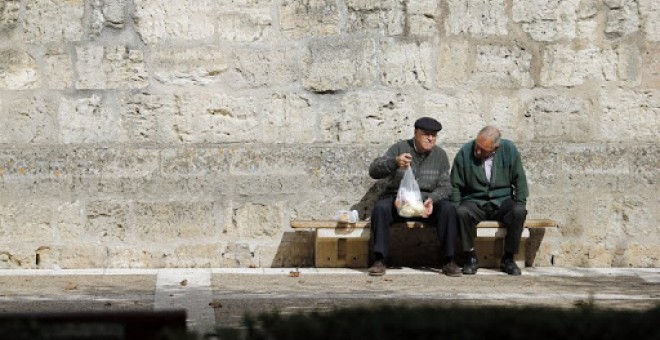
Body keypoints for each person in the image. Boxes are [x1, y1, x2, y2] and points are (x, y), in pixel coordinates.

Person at [367, 117, 460, 277]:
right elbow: (374, 170)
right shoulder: (399, 148)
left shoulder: (440, 155)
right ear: (415, 133)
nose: (430, 138)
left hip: (425, 203)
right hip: (399, 201)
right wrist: (394, 162)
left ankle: (449, 260)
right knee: (381, 208)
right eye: (426, 134)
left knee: (448, 209)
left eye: (434, 135)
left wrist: (432, 199)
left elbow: (446, 186)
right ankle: (380, 259)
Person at [449, 126, 529, 276]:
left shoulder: (509, 150)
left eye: (483, 150)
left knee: (518, 211)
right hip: (475, 201)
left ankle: (508, 258)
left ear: (495, 148)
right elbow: (455, 185)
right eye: (477, 147)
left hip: (502, 200)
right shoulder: (465, 152)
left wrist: (521, 203)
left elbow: (520, 180)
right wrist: (454, 207)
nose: (478, 152)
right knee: (461, 212)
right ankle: (470, 256)